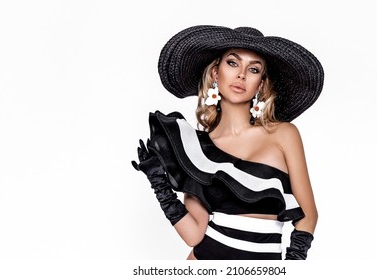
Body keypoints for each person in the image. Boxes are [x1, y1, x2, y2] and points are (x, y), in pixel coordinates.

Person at [132, 25, 324, 260]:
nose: (241, 75)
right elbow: (193, 235)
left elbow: (309, 215)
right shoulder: (198, 149)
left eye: (253, 69)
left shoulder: (284, 134)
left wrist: (292, 266)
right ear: (215, 73)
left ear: (261, 84)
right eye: (232, 63)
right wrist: (159, 184)